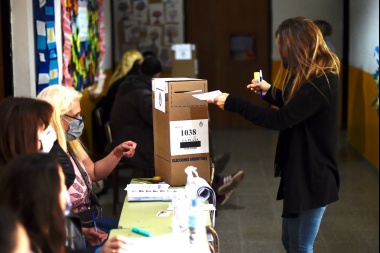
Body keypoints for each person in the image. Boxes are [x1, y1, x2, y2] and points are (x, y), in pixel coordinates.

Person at [208, 17, 340, 252]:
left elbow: (282, 119)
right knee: (289, 242)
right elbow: (295, 107)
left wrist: (233, 103)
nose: (283, 56)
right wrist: (269, 92)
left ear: (297, 47)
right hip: (299, 170)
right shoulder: (311, 75)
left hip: (314, 174)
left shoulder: (321, 81)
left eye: (284, 49)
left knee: (300, 246)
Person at [110, 56, 244, 205]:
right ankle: (213, 177)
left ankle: (214, 180)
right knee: (183, 148)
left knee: (185, 145)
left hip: (130, 139)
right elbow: (157, 118)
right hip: (135, 146)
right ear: (158, 75)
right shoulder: (141, 93)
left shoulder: (132, 86)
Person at [37, 85, 137, 247]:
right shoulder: (46, 158)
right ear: (57, 117)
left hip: (88, 222)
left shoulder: (71, 145)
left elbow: (94, 172)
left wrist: (116, 153)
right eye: (75, 116)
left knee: (129, 234)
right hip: (70, 232)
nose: (80, 121)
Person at [0, 153, 129, 253]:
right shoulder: (18, 240)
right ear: (44, 197)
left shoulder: (45, 230)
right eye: (62, 186)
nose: (67, 194)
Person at [0, 97, 75, 190]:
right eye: (40, 126)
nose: (45, 131)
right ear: (22, 133)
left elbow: (67, 177)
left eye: (44, 125)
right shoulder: (9, 178)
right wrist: (44, 156)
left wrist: (52, 146)